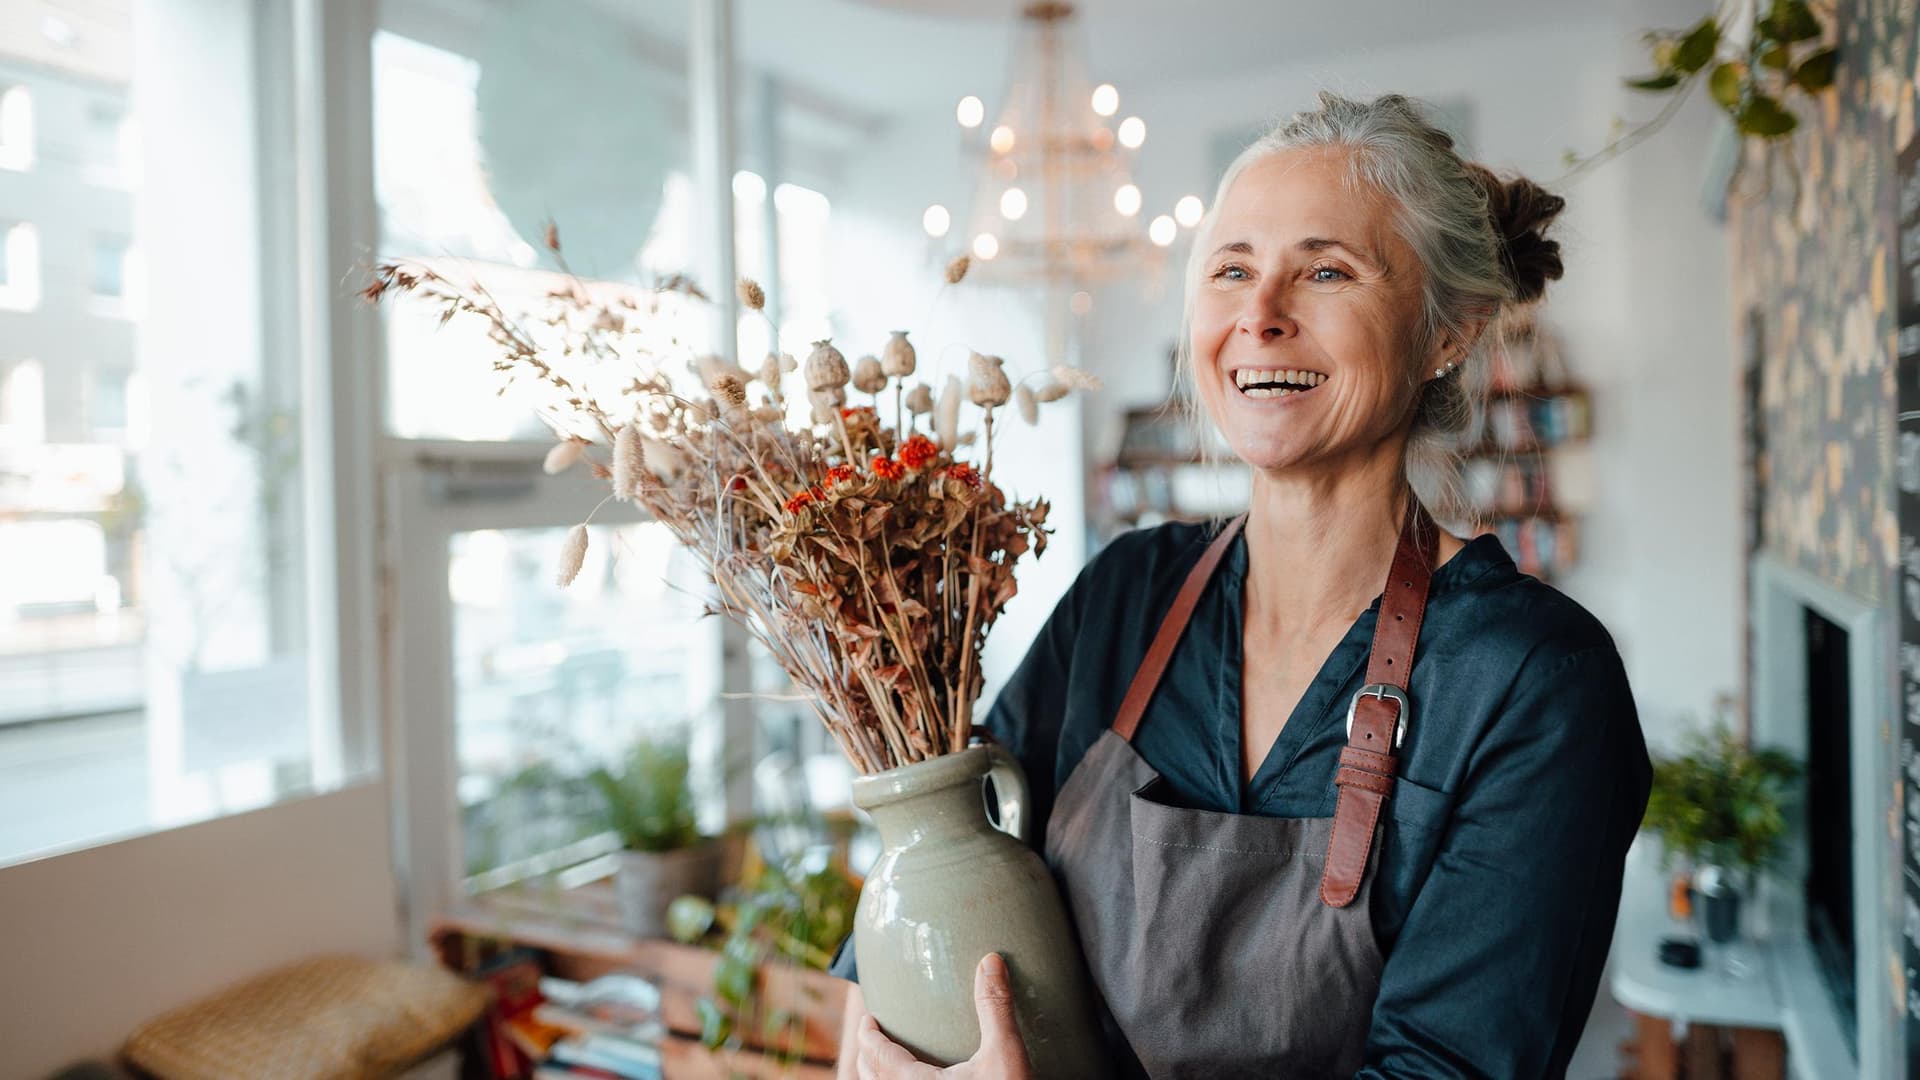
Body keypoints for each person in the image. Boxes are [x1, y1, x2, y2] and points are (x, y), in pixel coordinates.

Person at [836, 90, 1653, 1079]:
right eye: (1232, 270)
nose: (1260, 317)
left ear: (1451, 329)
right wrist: (875, 1034)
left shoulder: (1533, 684)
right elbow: (944, 862)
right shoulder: (1125, 596)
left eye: (1324, 269)